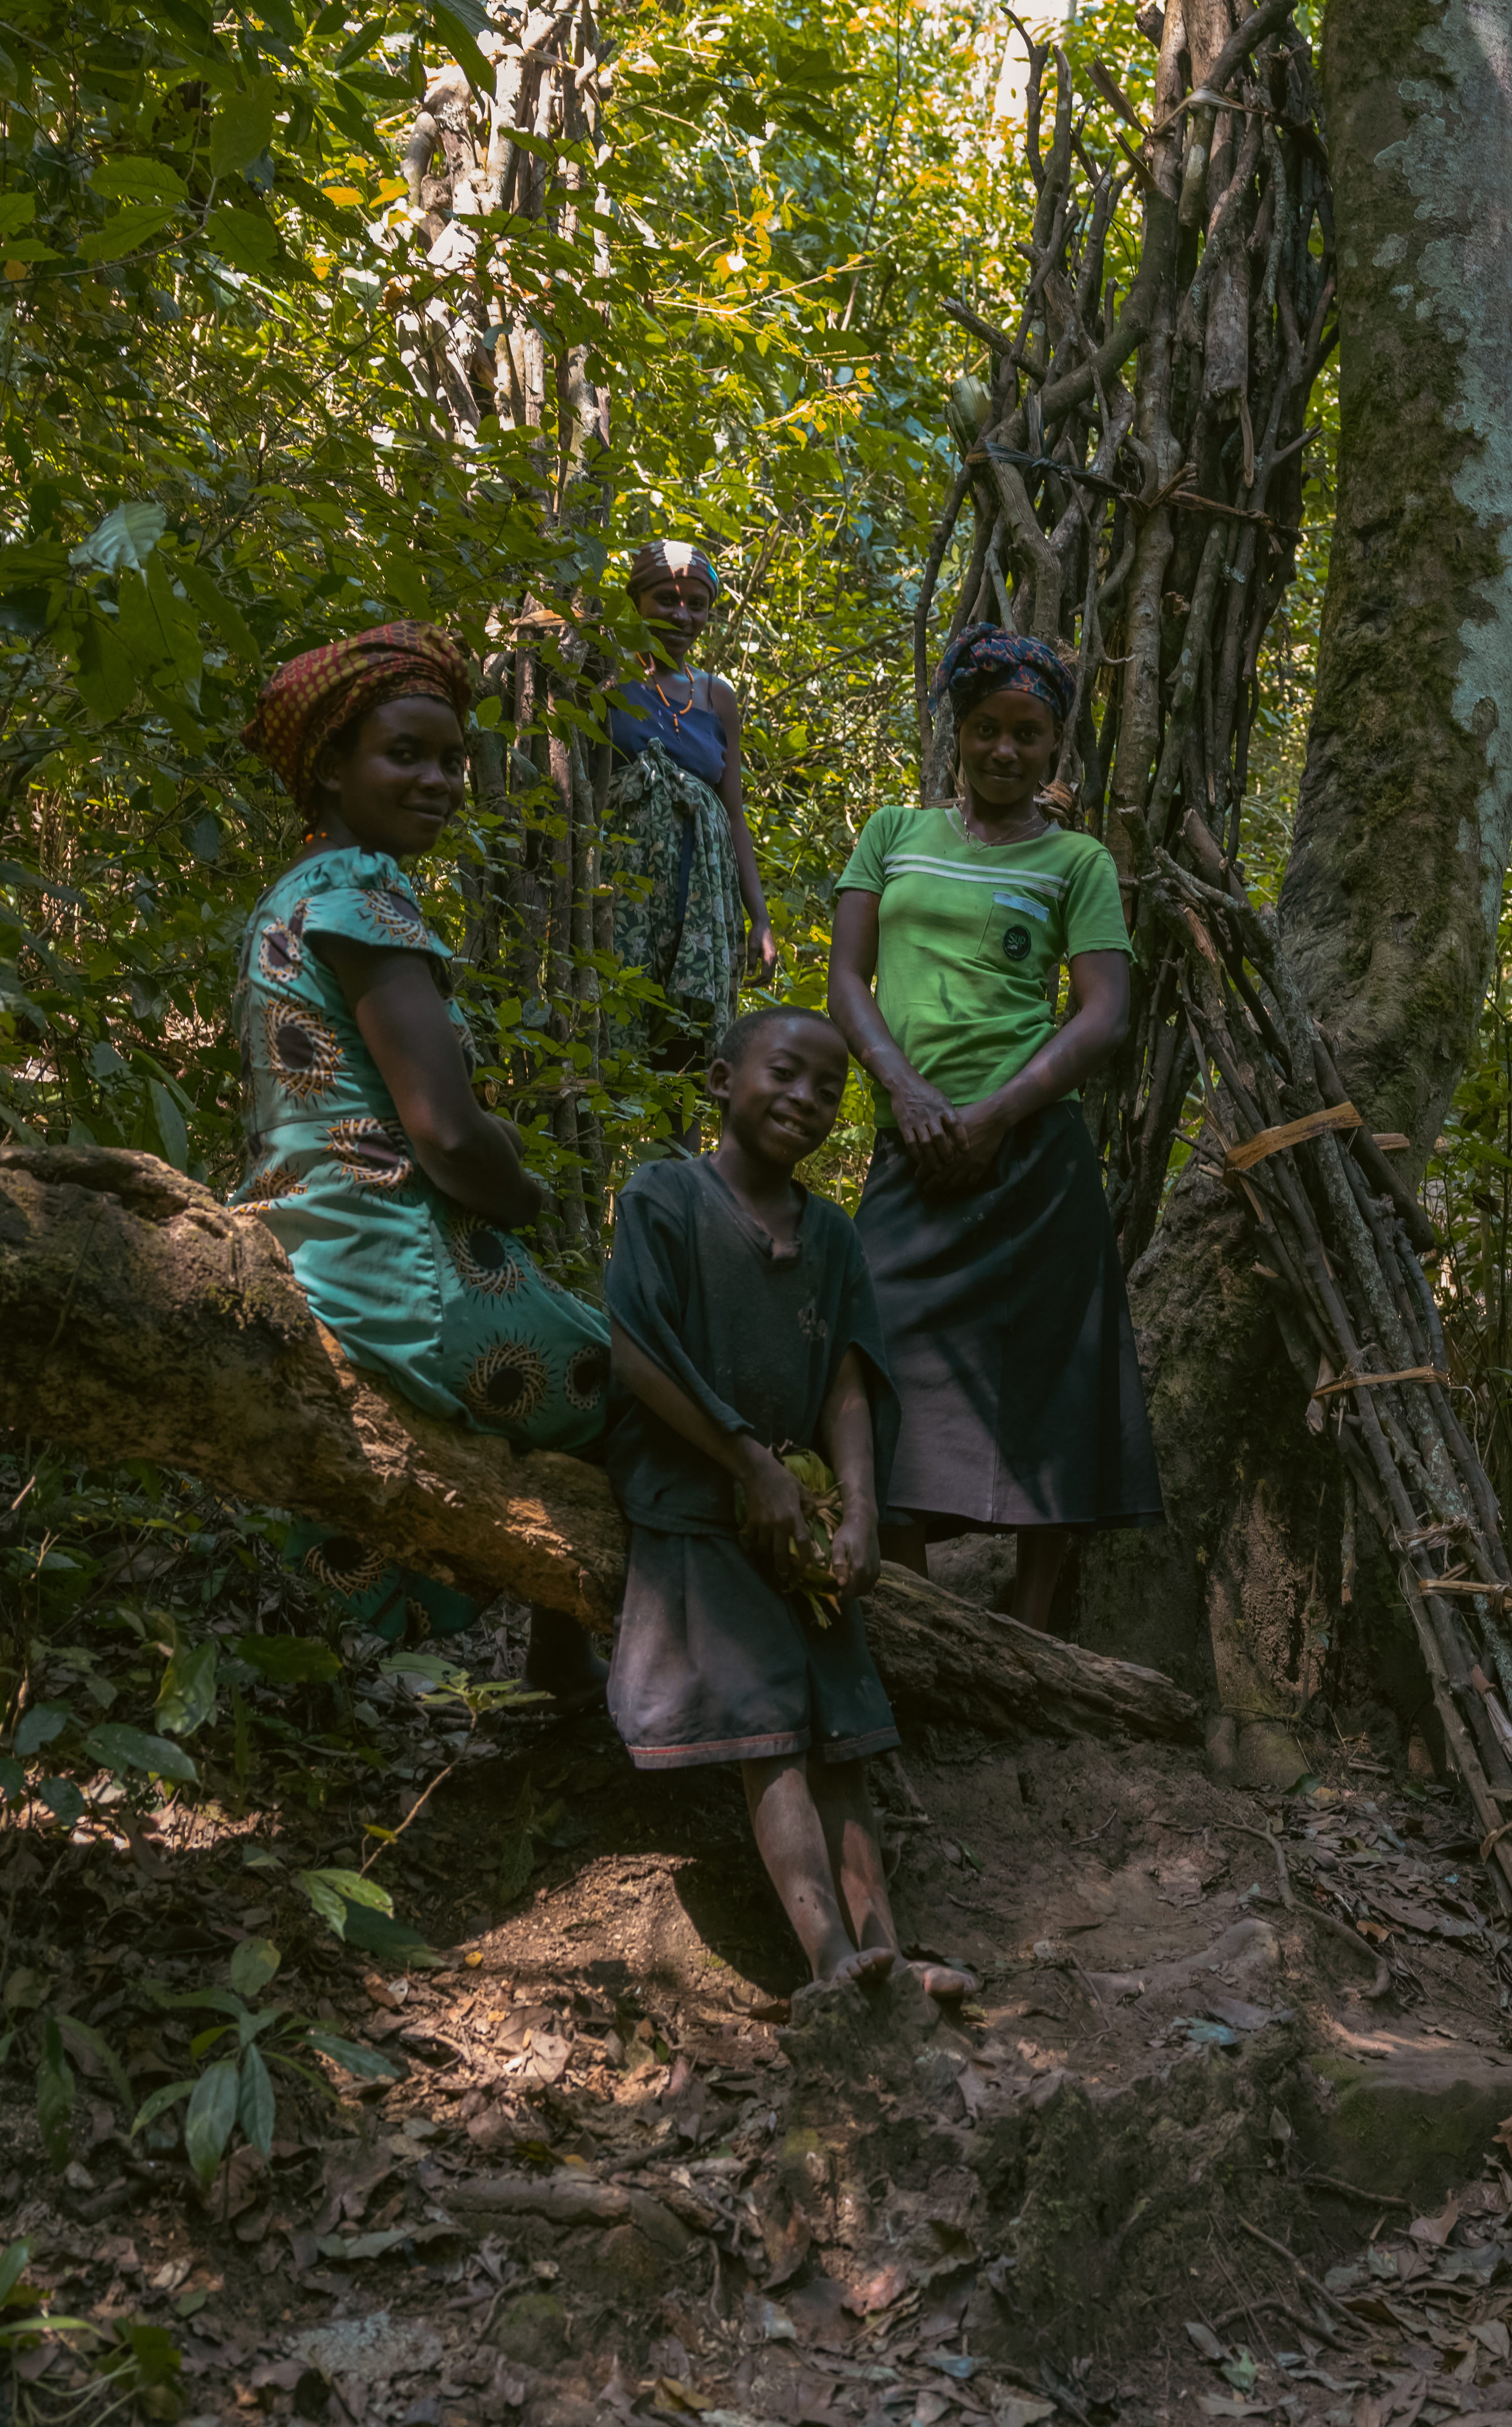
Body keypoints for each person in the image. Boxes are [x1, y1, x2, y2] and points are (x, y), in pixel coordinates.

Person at [600, 1004, 967, 2003]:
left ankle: (887, 1950)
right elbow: (635, 1347)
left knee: (844, 1732)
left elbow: (849, 1378)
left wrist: (856, 1508)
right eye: (783, 1072)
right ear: (721, 1080)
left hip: (800, 1533)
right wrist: (745, 1459)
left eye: (827, 1089)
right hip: (699, 1512)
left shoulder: (833, 1235)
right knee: (770, 1734)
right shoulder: (663, 1198)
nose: (804, 1098)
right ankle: (829, 1961)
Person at [827, 624, 1162, 1637]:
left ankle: (1028, 1629)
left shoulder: (1077, 860)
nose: (1004, 751)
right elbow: (847, 979)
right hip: (914, 1151)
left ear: (1056, 748)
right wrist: (909, 1094)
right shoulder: (891, 833)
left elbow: (1102, 1010)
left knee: (1052, 1384)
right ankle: (921, 1620)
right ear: (956, 734)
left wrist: (991, 1113)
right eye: (985, 729)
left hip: (1032, 1161)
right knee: (875, 1359)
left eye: (1027, 733)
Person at [231, 621, 612, 1452]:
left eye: (449, 762)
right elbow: (443, 1135)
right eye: (405, 755)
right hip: (395, 1277)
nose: (438, 781)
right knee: (650, 1396)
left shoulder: (292, 898)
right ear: (332, 767)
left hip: (314, 1257)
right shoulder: (357, 889)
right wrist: (520, 1195)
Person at [602, 540, 772, 1082]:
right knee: (610, 1034)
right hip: (622, 894)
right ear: (636, 601)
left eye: (697, 604)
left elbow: (734, 814)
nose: (683, 615)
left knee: (688, 1055)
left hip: (700, 901)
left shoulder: (715, 695)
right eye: (666, 599)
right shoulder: (604, 680)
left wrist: (759, 918)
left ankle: (685, 1165)